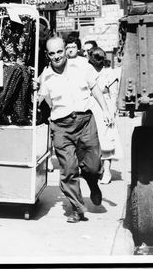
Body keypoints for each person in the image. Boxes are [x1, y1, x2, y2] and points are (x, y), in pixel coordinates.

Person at [34, 37, 113, 223]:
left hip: (85, 121)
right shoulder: (45, 76)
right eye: (52, 53)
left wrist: (106, 110)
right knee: (68, 169)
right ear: (47, 55)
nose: (56, 56)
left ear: (65, 51)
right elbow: (39, 100)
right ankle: (77, 208)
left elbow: (95, 89)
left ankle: (93, 183)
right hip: (61, 126)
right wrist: (33, 93)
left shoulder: (83, 67)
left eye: (59, 52)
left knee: (92, 166)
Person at [87, 47, 122, 184]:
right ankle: (95, 170)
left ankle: (107, 172)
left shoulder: (109, 73)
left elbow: (113, 95)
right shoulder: (87, 72)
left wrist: (111, 112)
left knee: (106, 140)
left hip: (104, 108)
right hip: (89, 106)